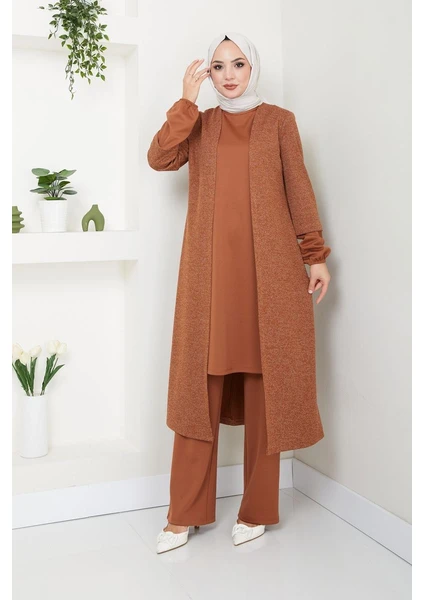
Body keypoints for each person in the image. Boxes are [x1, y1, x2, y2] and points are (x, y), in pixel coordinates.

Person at [148, 32, 332, 554]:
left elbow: (298, 188)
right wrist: (186, 102)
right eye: (218, 67)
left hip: (268, 278)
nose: (228, 75)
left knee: (264, 386)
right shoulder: (200, 123)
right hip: (209, 279)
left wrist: (315, 254)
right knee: (197, 391)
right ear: (208, 73)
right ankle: (183, 513)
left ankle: (257, 509)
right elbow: (159, 158)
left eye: (238, 65)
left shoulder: (279, 122)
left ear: (253, 68)